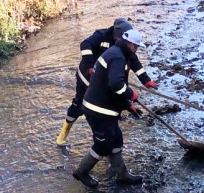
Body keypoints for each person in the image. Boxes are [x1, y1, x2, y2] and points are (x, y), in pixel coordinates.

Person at [55, 18, 157, 146]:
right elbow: (85, 45)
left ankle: (105, 142)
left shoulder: (125, 47)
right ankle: (65, 132)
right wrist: (90, 65)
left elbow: (134, 62)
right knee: (78, 106)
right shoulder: (102, 36)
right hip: (87, 78)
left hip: (105, 81)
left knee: (109, 106)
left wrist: (146, 80)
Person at [72, 29, 149, 188]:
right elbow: (116, 84)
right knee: (103, 144)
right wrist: (131, 95)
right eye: (136, 47)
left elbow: (112, 87)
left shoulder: (120, 54)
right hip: (97, 111)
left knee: (116, 139)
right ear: (129, 44)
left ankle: (122, 175)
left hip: (106, 109)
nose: (136, 50)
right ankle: (81, 172)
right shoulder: (117, 57)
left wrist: (127, 105)